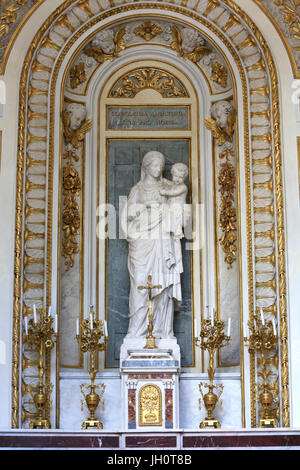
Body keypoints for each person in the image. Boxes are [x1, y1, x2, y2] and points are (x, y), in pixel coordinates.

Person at [122, 151, 183, 340]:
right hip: (142, 244)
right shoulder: (137, 190)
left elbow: (179, 212)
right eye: (155, 166)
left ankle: (162, 332)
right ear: (146, 167)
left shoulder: (168, 186)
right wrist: (149, 209)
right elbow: (127, 218)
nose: (158, 169)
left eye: (161, 166)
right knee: (140, 284)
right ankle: (137, 331)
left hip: (162, 243)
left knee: (163, 287)